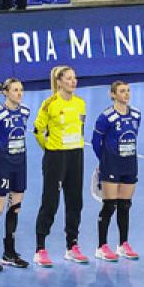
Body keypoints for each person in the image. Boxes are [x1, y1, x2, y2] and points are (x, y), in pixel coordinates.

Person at [32, 65, 89, 267]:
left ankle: (72, 246)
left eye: (74, 78)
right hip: (56, 158)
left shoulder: (80, 103)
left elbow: (81, 129)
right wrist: (49, 148)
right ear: (59, 82)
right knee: (51, 203)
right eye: (69, 78)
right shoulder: (50, 104)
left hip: (76, 156)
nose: (73, 82)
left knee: (75, 202)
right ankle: (40, 249)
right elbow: (38, 130)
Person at [0, 79, 32, 272]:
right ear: (5, 92)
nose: (19, 93)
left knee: (15, 208)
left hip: (20, 165)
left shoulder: (25, 112)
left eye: (21, 90)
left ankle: (9, 253)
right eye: (15, 90)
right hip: (2, 166)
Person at [91, 81, 141, 263]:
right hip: (111, 165)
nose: (126, 94)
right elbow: (96, 142)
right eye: (122, 91)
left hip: (130, 164)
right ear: (112, 95)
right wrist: (104, 160)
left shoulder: (136, 114)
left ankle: (123, 244)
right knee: (109, 205)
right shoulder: (105, 117)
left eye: (128, 91)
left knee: (125, 205)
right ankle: (101, 246)